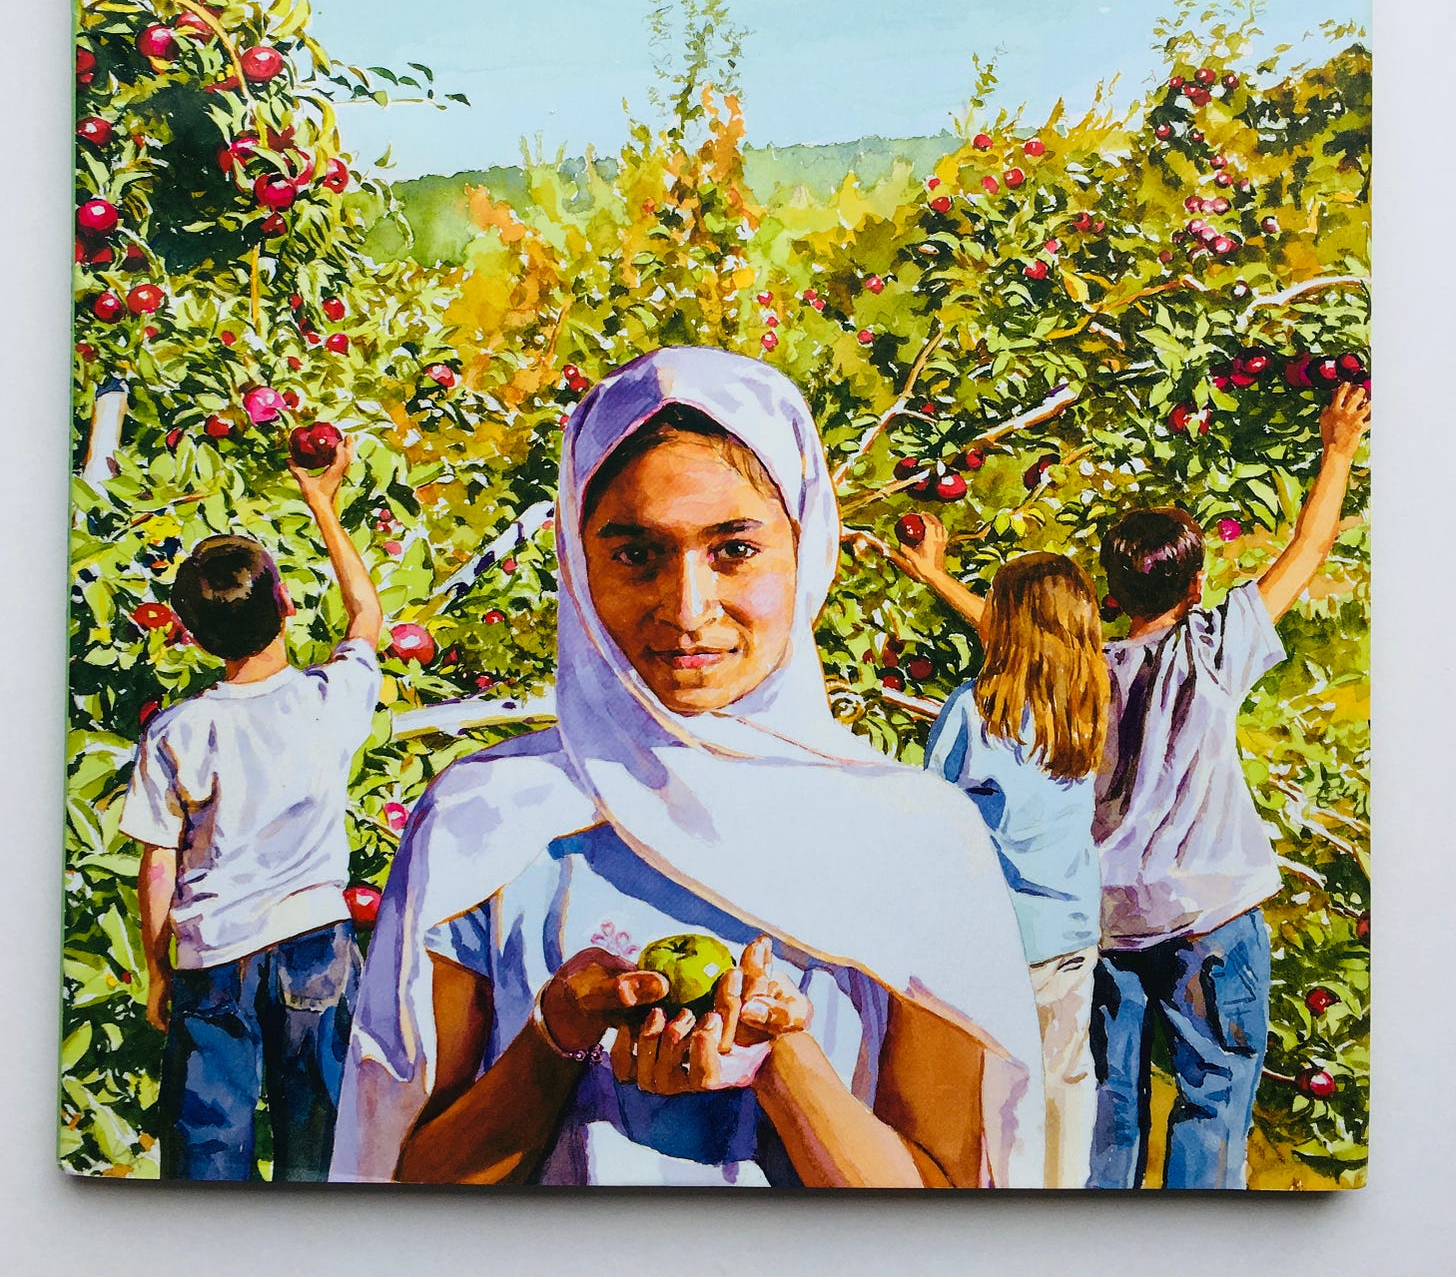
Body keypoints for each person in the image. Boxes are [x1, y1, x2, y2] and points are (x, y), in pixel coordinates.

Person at [331, 347, 1045, 1188]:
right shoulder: (487, 822)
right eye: (636, 554)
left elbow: (944, 1209)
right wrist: (553, 1039)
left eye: (734, 550)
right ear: (576, 561)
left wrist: (780, 1066)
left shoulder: (917, 836)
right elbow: (407, 1191)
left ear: (806, 551)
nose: (687, 607)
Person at [1085, 381, 1371, 1190]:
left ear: (1112, 592)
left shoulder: (1081, 670)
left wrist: (935, 577)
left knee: (1110, 1105)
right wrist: (1338, 448)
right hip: (1210, 914)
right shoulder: (1215, 646)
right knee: (1214, 1097)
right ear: (1195, 585)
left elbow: (1003, 633)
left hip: (1110, 919)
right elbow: (1307, 551)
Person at [119, 436, 384, 1182]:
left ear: (194, 636)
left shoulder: (178, 731)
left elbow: (159, 861)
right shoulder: (329, 700)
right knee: (322, 1152)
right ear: (288, 607)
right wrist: (321, 503)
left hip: (213, 958)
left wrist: (157, 968)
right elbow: (365, 612)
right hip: (314, 945)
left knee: (207, 1161)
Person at [858, 530, 1109, 1188]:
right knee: (1065, 1080)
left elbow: (933, 820)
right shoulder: (1089, 701)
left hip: (995, 935)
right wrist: (939, 579)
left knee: (997, 1092)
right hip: (1072, 933)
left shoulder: (974, 711)